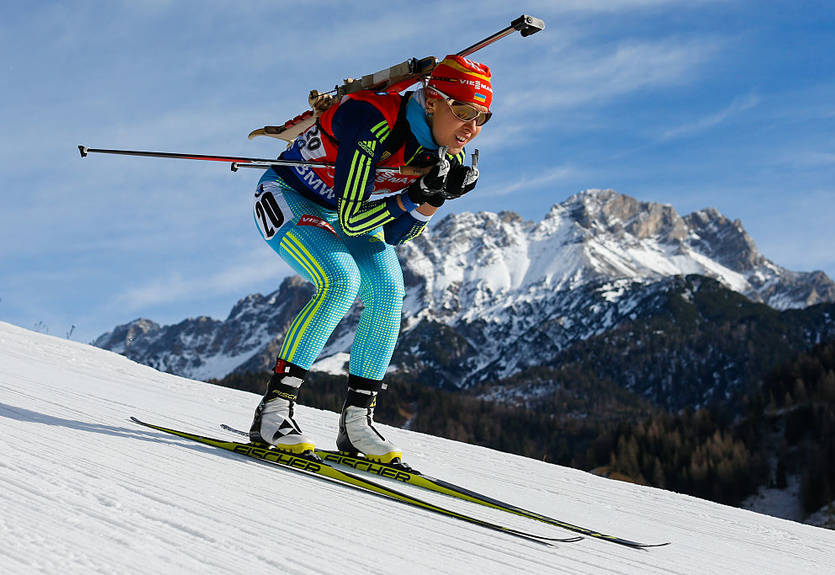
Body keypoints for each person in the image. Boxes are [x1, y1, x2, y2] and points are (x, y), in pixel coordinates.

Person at [249, 55, 492, 464]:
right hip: (290, 194)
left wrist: (435, 196)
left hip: (347, 209)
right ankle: (272, 412)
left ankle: (357, 423)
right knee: (340, 282)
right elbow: (353, 217)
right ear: (431, 101)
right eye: (463, 111)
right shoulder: (373, 121)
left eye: (483, 117)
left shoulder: (442, 155)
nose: (472, 127)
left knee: (389, 291)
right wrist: (416, 194)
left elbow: (396, 233)